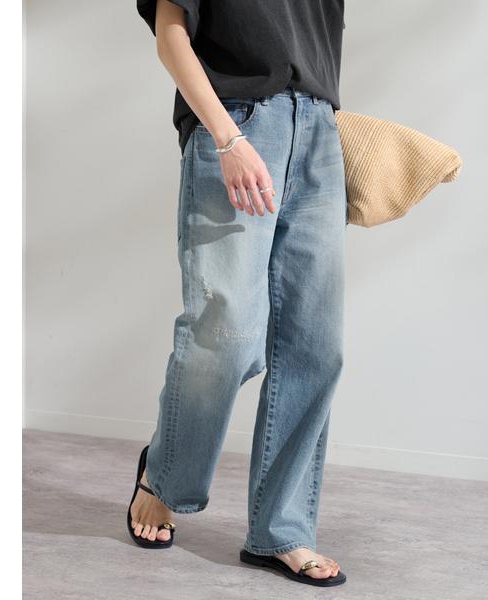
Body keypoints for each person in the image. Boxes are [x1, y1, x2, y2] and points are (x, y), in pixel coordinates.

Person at [128, 0, 348, 587]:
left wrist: (322, 131)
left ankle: (283, 531)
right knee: (224, 335)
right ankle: (164, 478)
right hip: (236, 122)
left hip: (319, 130)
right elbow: (171, 34)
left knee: (314, 347)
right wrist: (227, 138)